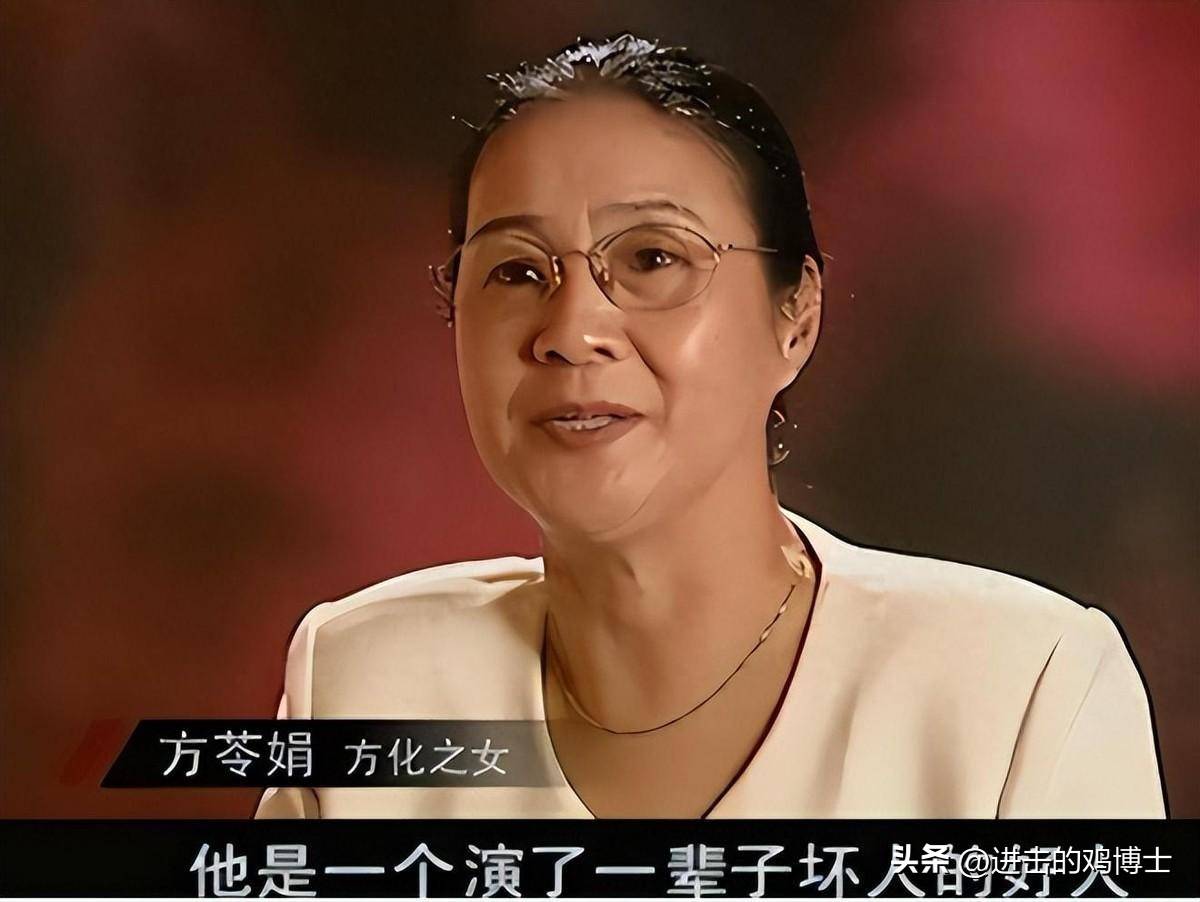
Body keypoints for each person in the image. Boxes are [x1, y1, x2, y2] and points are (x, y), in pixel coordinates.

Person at [254, 32, 1165, 819]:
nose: (570, 330)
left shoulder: (1021, 689)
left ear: (795, 317)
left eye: (653, 258)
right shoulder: (365, 679)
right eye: (516, 272)